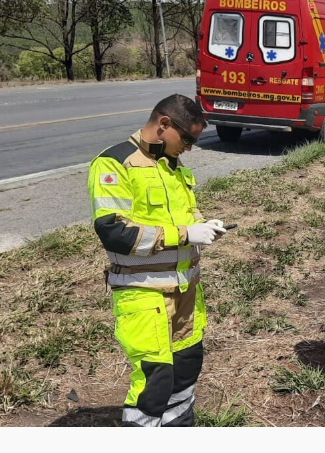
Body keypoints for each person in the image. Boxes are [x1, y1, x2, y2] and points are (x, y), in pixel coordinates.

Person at [87, 94, 227, 426]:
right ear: (164, 124)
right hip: (144, 294)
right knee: (155, 383)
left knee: (186, 371)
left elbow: (187, 216)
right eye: (188, 139)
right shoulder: (113, 164)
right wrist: (184, 233)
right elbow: (114, 231)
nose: (190, 148)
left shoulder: (174, 168)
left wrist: (204, 225)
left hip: (187, 294)